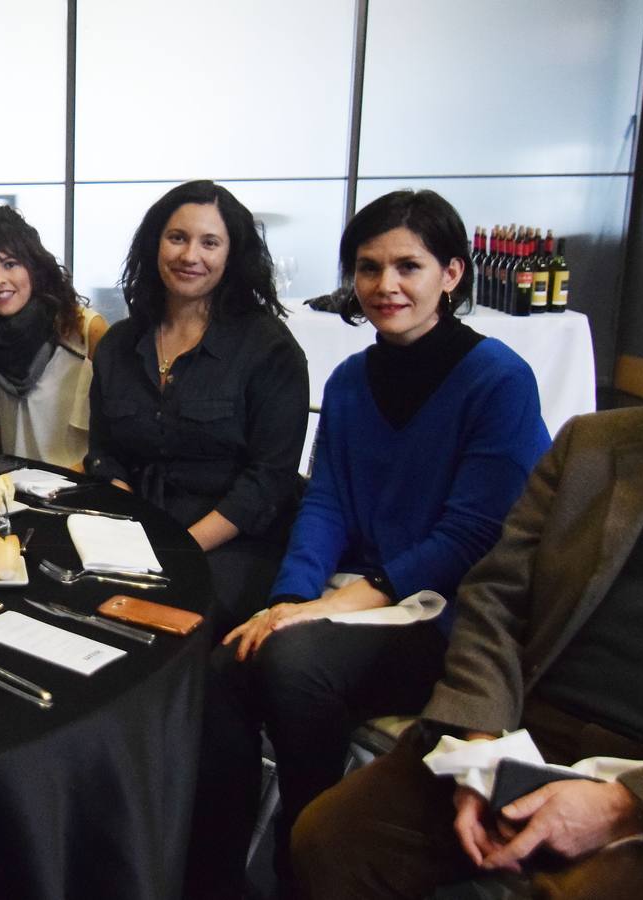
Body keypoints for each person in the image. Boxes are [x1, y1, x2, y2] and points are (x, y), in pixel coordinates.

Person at [290, 218, 643, 900]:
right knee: (332, 838)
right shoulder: (596, 447)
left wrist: (632, 805)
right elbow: (496, 596)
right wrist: (479, 753)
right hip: (527, 735)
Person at [192, 190, 551, 895]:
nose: (386, 286)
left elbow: (473, 535)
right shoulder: (353, 379)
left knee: (294, 662)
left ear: (451, 274)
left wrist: (330, 608)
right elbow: (323, 501)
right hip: (361, 599)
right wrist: (292, 596)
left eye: (408, 266)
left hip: (454, 615)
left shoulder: (498, 379)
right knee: (230, 660)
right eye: (368, 266)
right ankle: (213, 874)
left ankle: (307, 859)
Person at [85, 180, 308, 623]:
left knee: (158, 616)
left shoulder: (268, 348)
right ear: (155, 245)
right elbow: (105, 455)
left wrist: (179, 547)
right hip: (137, 533)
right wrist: (133, 531)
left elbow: (268, 481)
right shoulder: (120, 344)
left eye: (210, 242)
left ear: (231, 254)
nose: (190, 256)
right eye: (177, 238)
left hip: (234, 543)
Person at [0, 204, 107, 469]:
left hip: (81, 493)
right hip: (17, 493)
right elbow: (10, 432)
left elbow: (116, 440)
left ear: (34, 267)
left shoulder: (85, 329)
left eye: (10, 264)